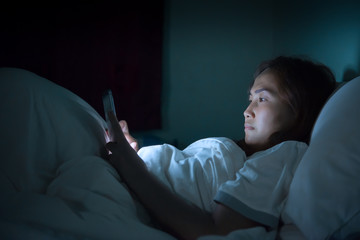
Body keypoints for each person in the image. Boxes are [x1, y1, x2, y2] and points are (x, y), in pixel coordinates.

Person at [105, 56, 336, 240]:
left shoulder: (285, 154)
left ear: (300, 111)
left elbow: (215, 231)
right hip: (123, 179)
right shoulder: (247, 155)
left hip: (125, 193)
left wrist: (131, 167)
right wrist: (132, 150)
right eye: (250, 99)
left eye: (262, 99)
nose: (247, 111)